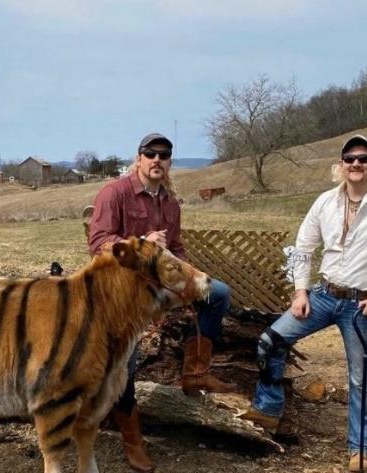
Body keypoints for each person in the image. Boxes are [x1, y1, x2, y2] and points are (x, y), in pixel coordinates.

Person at [88, 132, 237, 473]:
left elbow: (178, 248)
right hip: (123, 293)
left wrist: (190, 276)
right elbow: (98, 243)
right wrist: (140, 243)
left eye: (164, 155)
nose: (157, 159)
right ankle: (132, 438)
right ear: (138, 158)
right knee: (125, 364)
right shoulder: (115, 192)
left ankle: (195, 372)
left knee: (219, 294)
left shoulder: (169, 200)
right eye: (150, 153)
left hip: (161, 287)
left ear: (169, 162)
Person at [241, 135, 367, 472]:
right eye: (350, 158)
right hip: (323, 295)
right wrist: (301, 291)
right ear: (341, 164)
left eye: (364, 158)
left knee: (360, 378)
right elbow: (303, 248)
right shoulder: (324, 202)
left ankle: (360, 447)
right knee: (270, 341)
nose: (356, 164)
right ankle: (268, 411)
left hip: (363, 303)